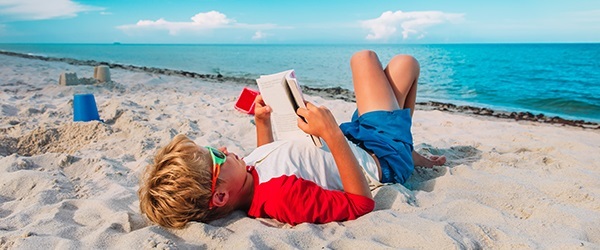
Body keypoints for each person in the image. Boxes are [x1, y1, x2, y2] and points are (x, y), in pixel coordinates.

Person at [138, 50, 446, 229]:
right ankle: (406, 150)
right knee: (389, 62)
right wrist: (332, 135)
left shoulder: (245, 177)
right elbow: (361, 204)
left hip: (355, 140)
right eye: (216, 157)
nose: (223, 149)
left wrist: (263, 122)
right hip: (382, 157)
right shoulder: (280, 199)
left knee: (394, 72)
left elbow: (267, 156)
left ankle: (406, 144)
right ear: (219, 197)